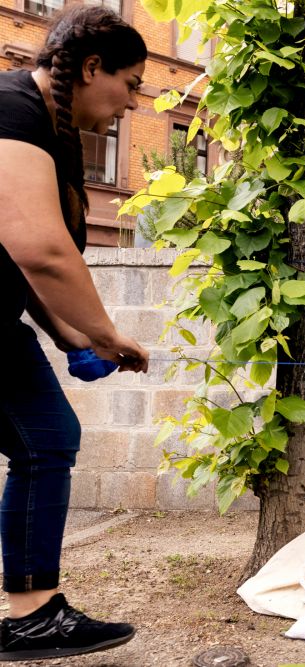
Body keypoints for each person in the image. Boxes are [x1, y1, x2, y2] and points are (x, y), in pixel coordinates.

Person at [0, 5, 150, 661]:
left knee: (48, 438)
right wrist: (107, 333)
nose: (131, 103)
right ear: (93, 67)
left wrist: (72, 336)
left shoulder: (48, 128)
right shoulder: (12, 110)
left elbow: (23, 267)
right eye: (131, 84)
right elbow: (42, 251)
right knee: (45, 439)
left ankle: (35, 612)